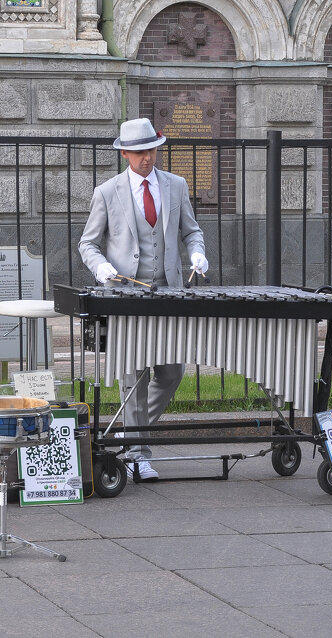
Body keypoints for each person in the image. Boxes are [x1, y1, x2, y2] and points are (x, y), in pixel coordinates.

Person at [78, 118, 208, 481]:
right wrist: (101, 267)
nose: (146, 158)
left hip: (169, 293)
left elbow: (192, 231)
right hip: (125, 297)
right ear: (124, 153)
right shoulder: (107, 192)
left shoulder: (176, 186)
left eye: (150, 150)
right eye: (138, 153)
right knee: (133, 376)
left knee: (171, 372)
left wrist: (198, 254)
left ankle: (127, 431)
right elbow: (87, 243)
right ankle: (137, 453)